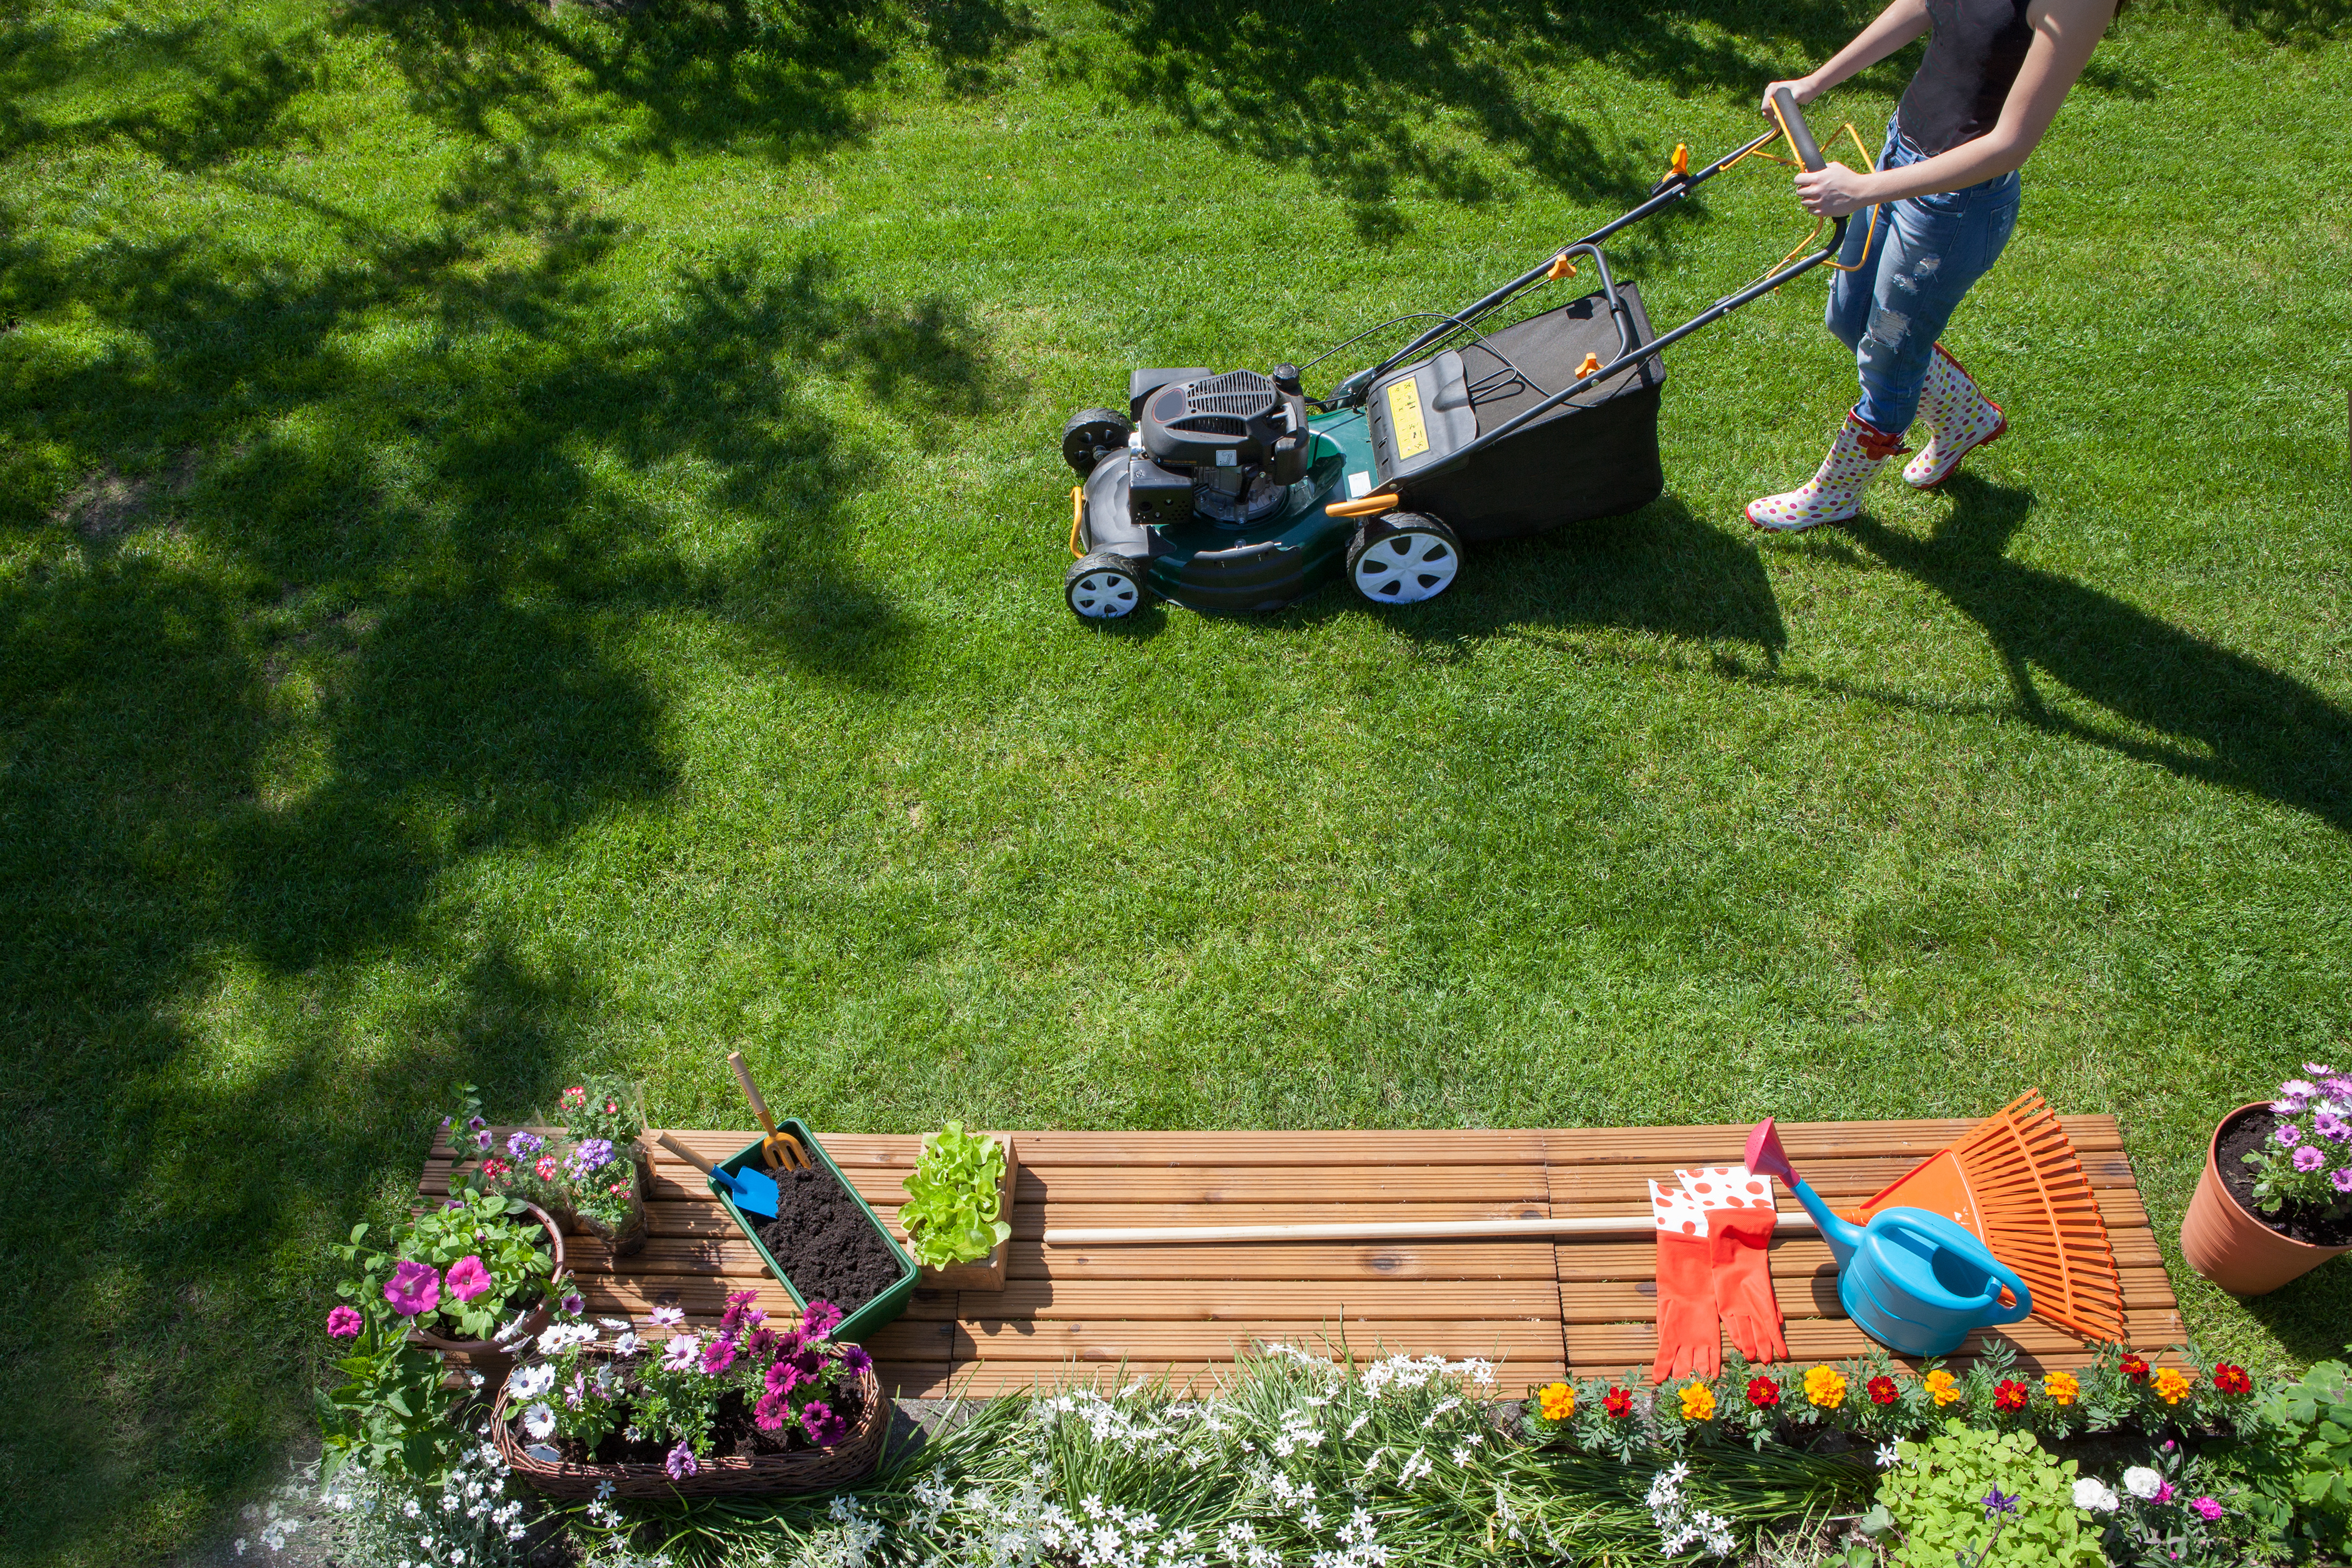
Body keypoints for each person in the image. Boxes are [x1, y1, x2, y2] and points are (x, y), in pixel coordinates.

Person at [1745, 0, 2119, 530]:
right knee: (1848, 318)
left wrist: (1861, 190)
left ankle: (1836, 497)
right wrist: (1813, 82)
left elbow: (2008, 145)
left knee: (1889, 357)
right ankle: (1963, 417)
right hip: (1900, 152)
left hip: (1954, 206)